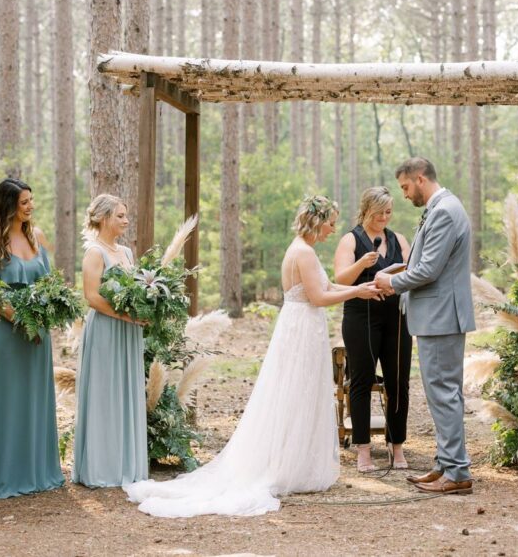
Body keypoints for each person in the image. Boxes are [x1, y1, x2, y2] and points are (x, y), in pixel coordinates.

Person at [125, 196, 381, 517]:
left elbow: (327, 284)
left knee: (299, 394)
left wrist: (363, 283)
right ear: (317, 221)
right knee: (296, 394)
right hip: (302, 328)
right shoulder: (302, 252)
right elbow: (318, 296)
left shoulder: (301, 249)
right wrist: (357, 292)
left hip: (300, 326)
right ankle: (287, 466)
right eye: (331, 222)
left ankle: (295, 460)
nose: (333, 229)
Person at [375, 157, 475, 495]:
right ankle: (446, 463)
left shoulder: (445, 211)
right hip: (437, 317)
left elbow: (429, 270)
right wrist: (395, 270)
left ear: (420, 179)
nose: (404, 195)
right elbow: (425, 261)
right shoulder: (441, 208)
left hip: (442, 317)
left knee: (444, 393)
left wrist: (392, 284)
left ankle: (457, 473)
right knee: (441, 393)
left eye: (405, 187)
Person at [0, 177, 65, 500]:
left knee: (33, 399)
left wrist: (43, 318)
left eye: (31, 200)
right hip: (4, 332)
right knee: (5, 400)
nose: (30, 207)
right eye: (24, 202)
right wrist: (20, 320)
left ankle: (35, 469)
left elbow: (50, 285)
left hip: (37, 334)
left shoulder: (36, 236)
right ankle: (0, 472)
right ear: (8, 205)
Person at [334, 186, 412, 472]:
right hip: (360, 316)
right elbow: (340, 280)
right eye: (378, 213)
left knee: (398, 381)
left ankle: (397, 446)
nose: (384, 218)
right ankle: (363, 451)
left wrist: (395, 282)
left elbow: (409, 270)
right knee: (362, 382)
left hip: (396, 317)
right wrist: (362, 264)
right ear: (366, 210)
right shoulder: (349, 240)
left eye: (388, 212)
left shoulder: (398, 239)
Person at [73, 195, 148, 488]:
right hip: (106, 329)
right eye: (120, 216)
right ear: (104, 218)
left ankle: (125, 463)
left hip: (128, 332)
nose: (126, 220)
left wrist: (143, 311)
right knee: (105, 393)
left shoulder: (127, 253)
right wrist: (127, 317)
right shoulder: (94, 252)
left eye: (126, 215)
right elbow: (92, 296)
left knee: (126, 391)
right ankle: (102, 467)